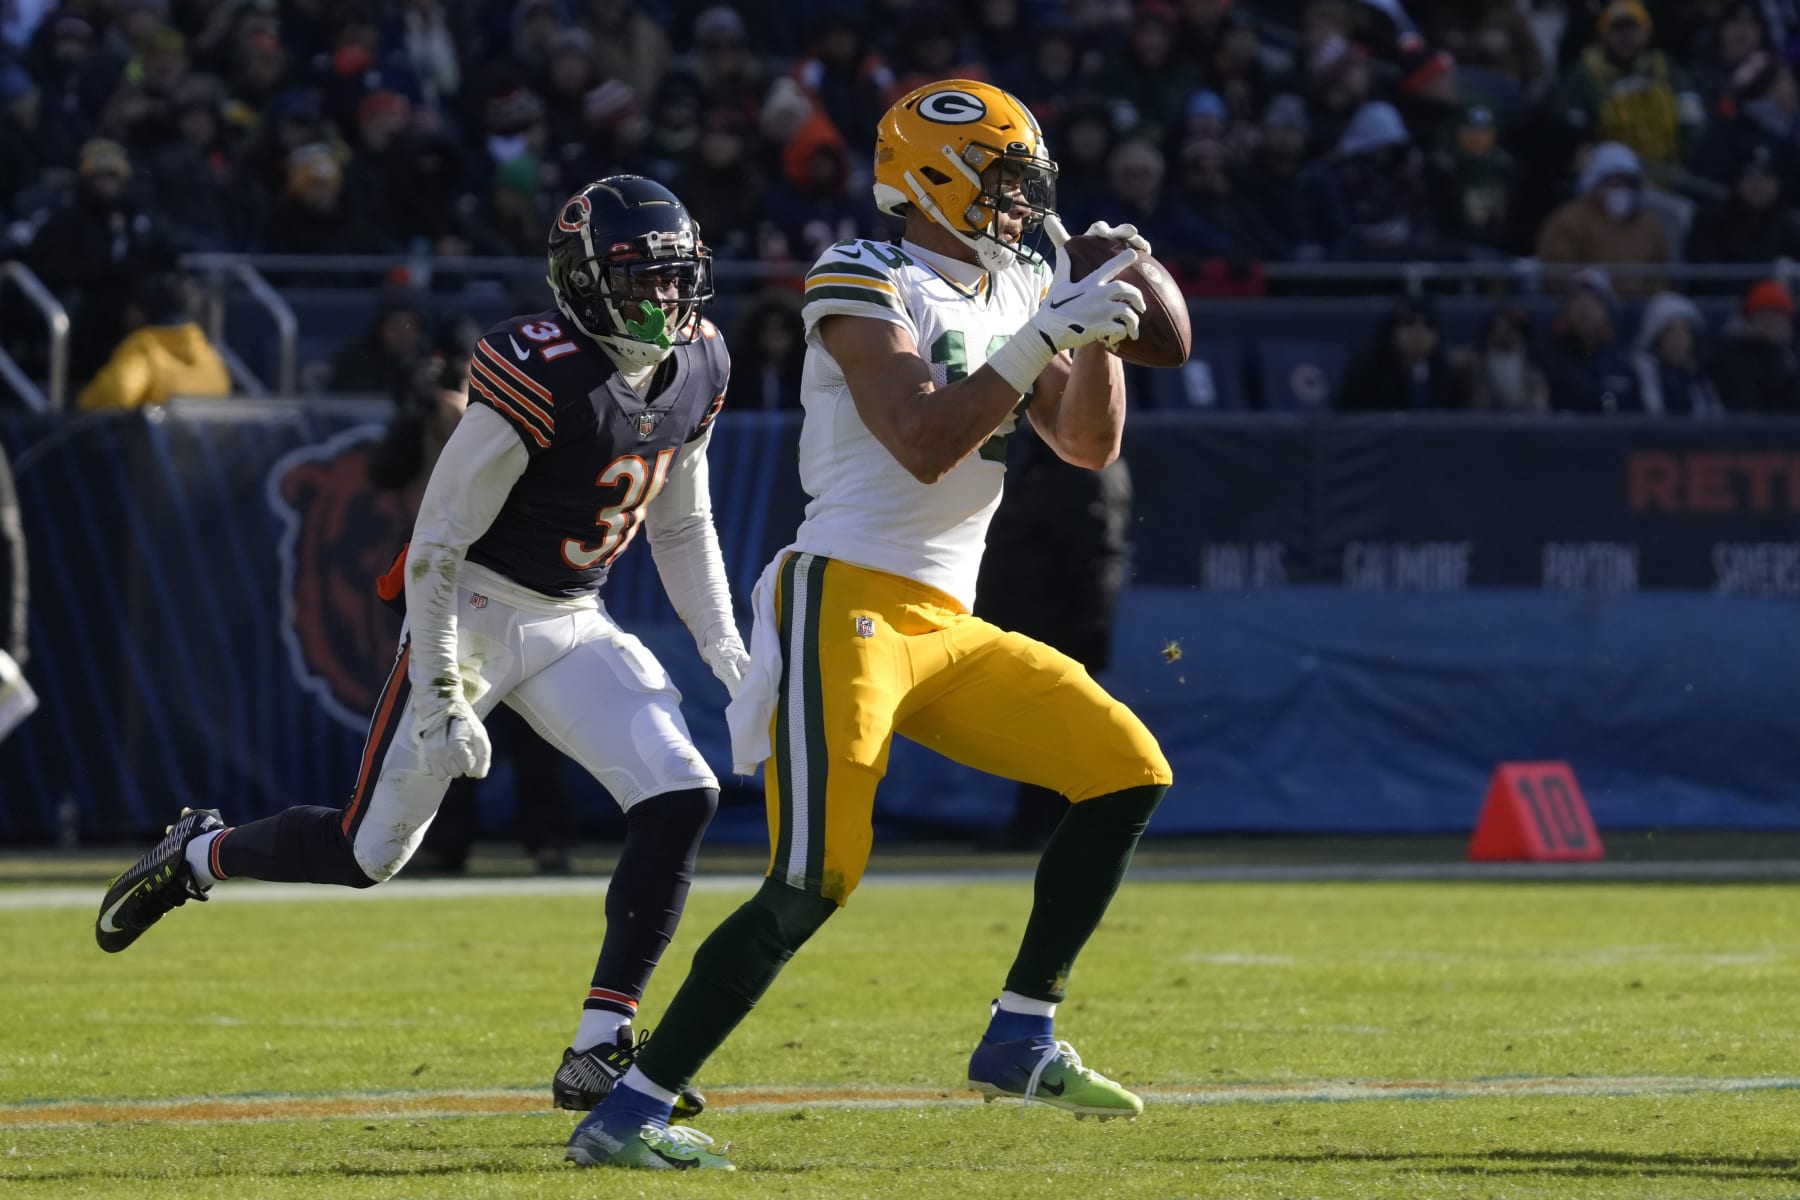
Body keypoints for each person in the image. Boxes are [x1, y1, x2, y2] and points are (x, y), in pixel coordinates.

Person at [567, 79, 1171, 1172]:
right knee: (816, 877)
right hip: (844, 599)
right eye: (1003, 179)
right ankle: (629, 1111)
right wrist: (1045, 331)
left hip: (945, 619)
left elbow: (1087, 447)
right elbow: (924, 436)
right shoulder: (863, 273)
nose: (1020, 203)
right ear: (934, 178)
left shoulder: (1020, 280)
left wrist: (1103, 320)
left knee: (1125, 770)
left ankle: (1022, 1032)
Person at [93, 175, 750, 1123]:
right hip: (474, 608)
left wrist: (727, 648)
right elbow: (438, 542)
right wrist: (443, 686)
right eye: (638, 279)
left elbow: (682, 526)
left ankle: (599, 1048)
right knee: (370, 853)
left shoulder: (699, 363)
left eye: (676, 278)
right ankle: (199, 855)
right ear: (581, 280)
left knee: (681, 795)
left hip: (571, 615)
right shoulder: (542, 369)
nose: (666, 302)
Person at [76, 273, 230, 410]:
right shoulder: (205, 350)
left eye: (134, 306)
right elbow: (222, 388)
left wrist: (83, 403)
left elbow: (119, 391)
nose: (127, 313)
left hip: (149, 439)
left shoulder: (144, 344)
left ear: (144, 311)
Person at [1338, 295, 1464, 411]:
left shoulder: (1448, 377)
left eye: (1429, 324)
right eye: (1409, 322)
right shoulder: (1366, 373)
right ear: (1392, 330)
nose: (1419, 331)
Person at [1630, 291, 1723, 416]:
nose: (1679, 339)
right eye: (1670, 331)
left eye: (1685, 331)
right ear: (1657, 337)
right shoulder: (1639, 376)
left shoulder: (1701, 380)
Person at [1713, 278, 1800, 413]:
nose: (1772, 321)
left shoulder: (1789, 352)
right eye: (1765, 313)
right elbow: (1745, 404)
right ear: (1751, 317)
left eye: (1777, 314)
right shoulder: (1735, 353)